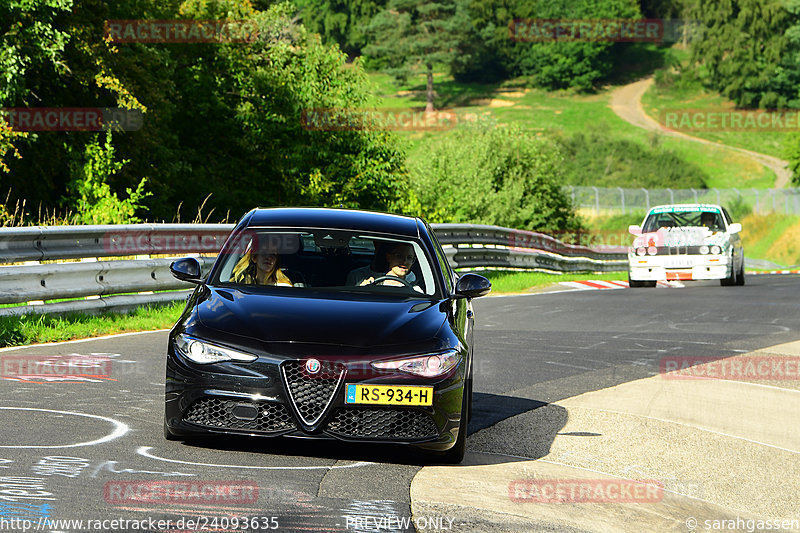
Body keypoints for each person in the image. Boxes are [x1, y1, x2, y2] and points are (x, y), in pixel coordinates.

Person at [347, 242, 419, 289]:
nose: (405, 261)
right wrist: (361, 290)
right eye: (399, 256)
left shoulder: (414, 287)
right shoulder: (369, 282)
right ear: (388, 257)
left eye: (409, 258)